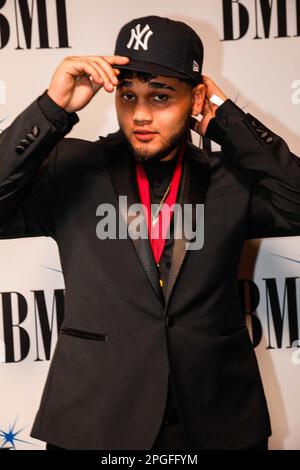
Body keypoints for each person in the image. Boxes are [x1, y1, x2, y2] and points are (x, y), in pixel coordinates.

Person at [0, 15, 299, 451]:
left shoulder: (230, 179)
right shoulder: (70, 169)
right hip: (95, 419)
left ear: (195, 96)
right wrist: (52, 108)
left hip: (217, 419)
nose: (140, 114)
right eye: (128, 96)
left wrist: (227, 121)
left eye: (161, 96)